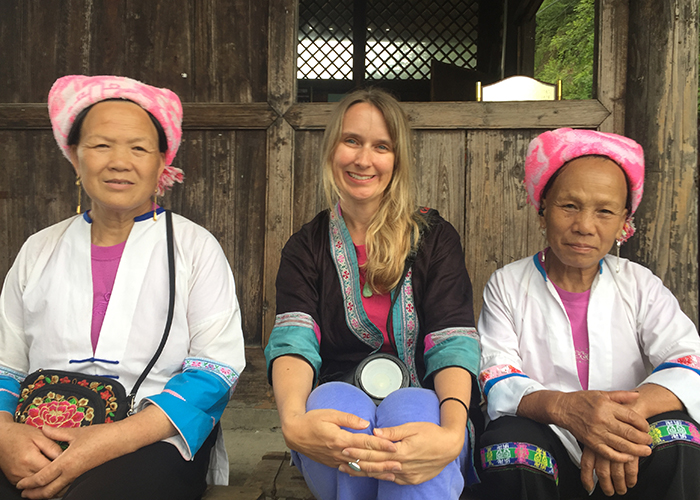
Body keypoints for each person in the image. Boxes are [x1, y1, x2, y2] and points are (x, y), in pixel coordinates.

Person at [0, 75, 246, 500]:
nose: (119, 161)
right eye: (100, 145)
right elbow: (6, 364)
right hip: (34, 433)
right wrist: (4, 434)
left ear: (160, 162)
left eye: (138, 148)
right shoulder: (38, 249)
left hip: (153, 437)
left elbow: (215, 369)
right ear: (75, 158)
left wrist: (110, 439)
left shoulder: (195, 247)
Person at [264, 88, 481, 500]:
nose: (364, 159)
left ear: (397, 160)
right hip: (334, 399)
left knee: (414, 412)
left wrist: (453, 433)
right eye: (352, 141)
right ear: (332, 149)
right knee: (339, 407)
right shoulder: (306, 246)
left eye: (381, 146)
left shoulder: (435, 239)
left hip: (430, 400)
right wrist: (294, 423)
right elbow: (294, 340)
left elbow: (452, 343)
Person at [477, 128, 700, 499]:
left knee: (681, 437)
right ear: (543, 206)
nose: (584, 225)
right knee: (507, 449)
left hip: (628, 446)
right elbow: (498, 376)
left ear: (623, 222)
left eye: (605, 211)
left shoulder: (639, 284)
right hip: (550, 439)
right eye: (569, 206)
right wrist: (567, 410)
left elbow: (689, 359)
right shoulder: (507, 285)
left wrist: (616, 421)